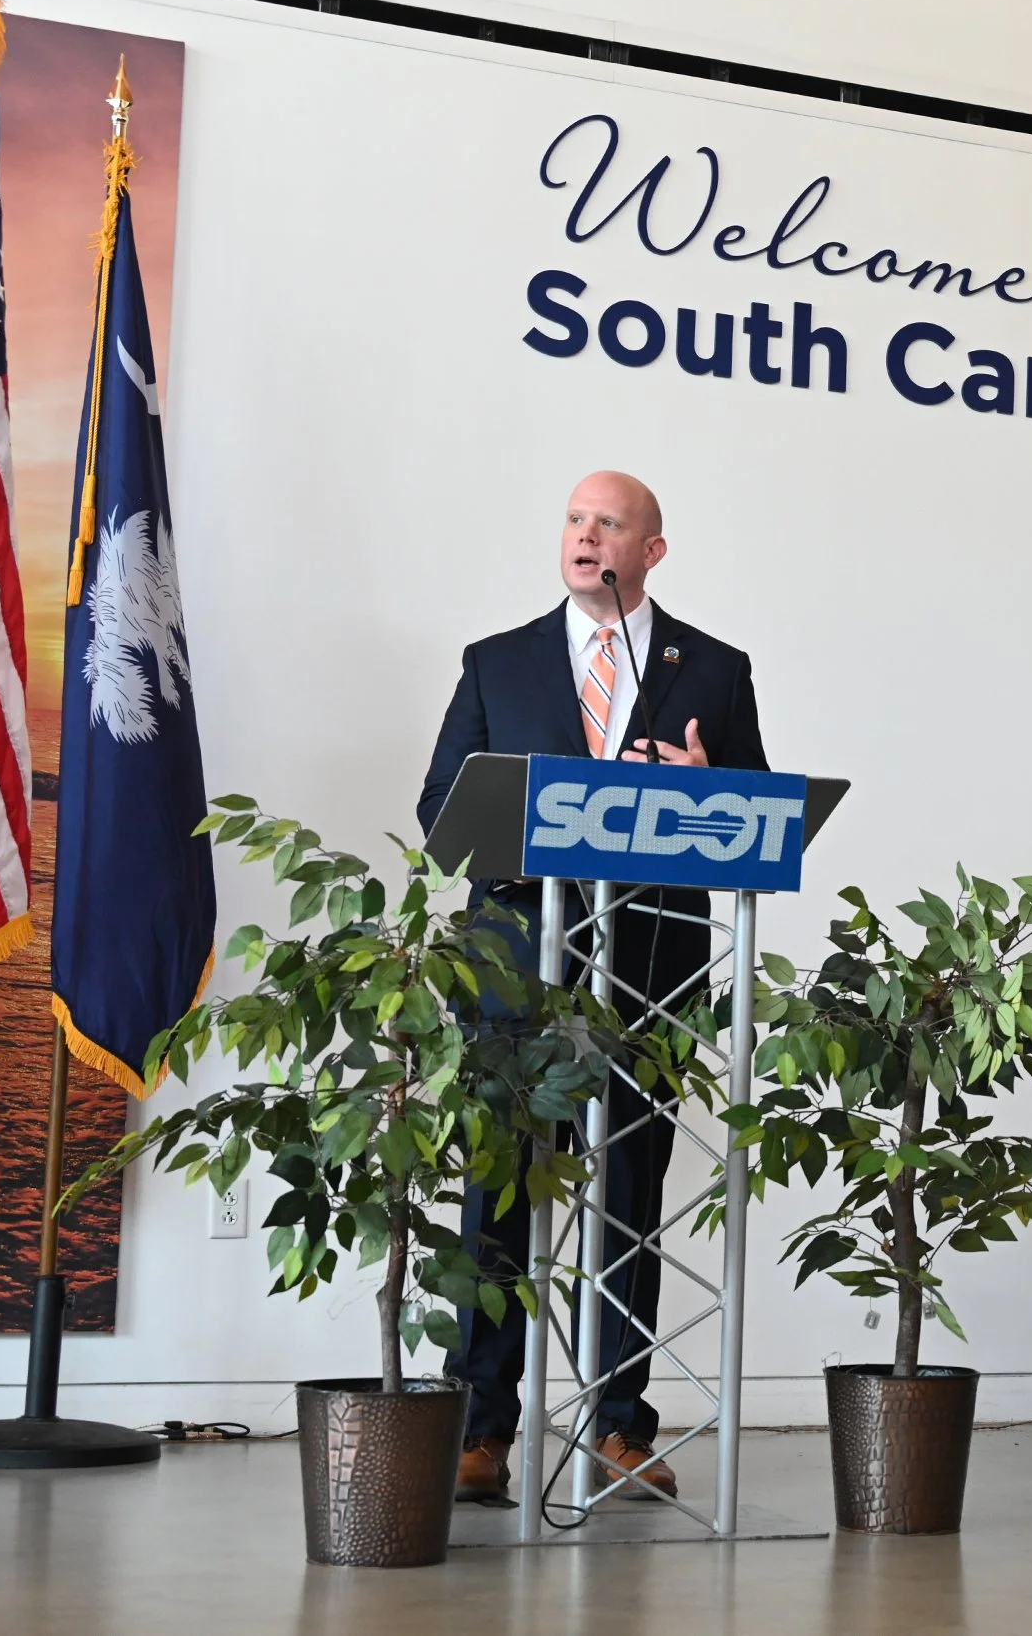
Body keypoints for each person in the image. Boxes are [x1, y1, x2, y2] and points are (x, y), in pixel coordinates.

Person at [417, 470, 767, 1505]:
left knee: (629, 1196)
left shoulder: (713, 669)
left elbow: (757, 812)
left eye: (608, 523)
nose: (585, 535)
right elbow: (441, 807)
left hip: (649, 972)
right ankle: (482, 1427)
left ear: (650, 550)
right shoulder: (498, 661)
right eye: (575, 519)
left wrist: (707, 792)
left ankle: (618, 1423)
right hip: (516, 969)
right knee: (499, 1193)